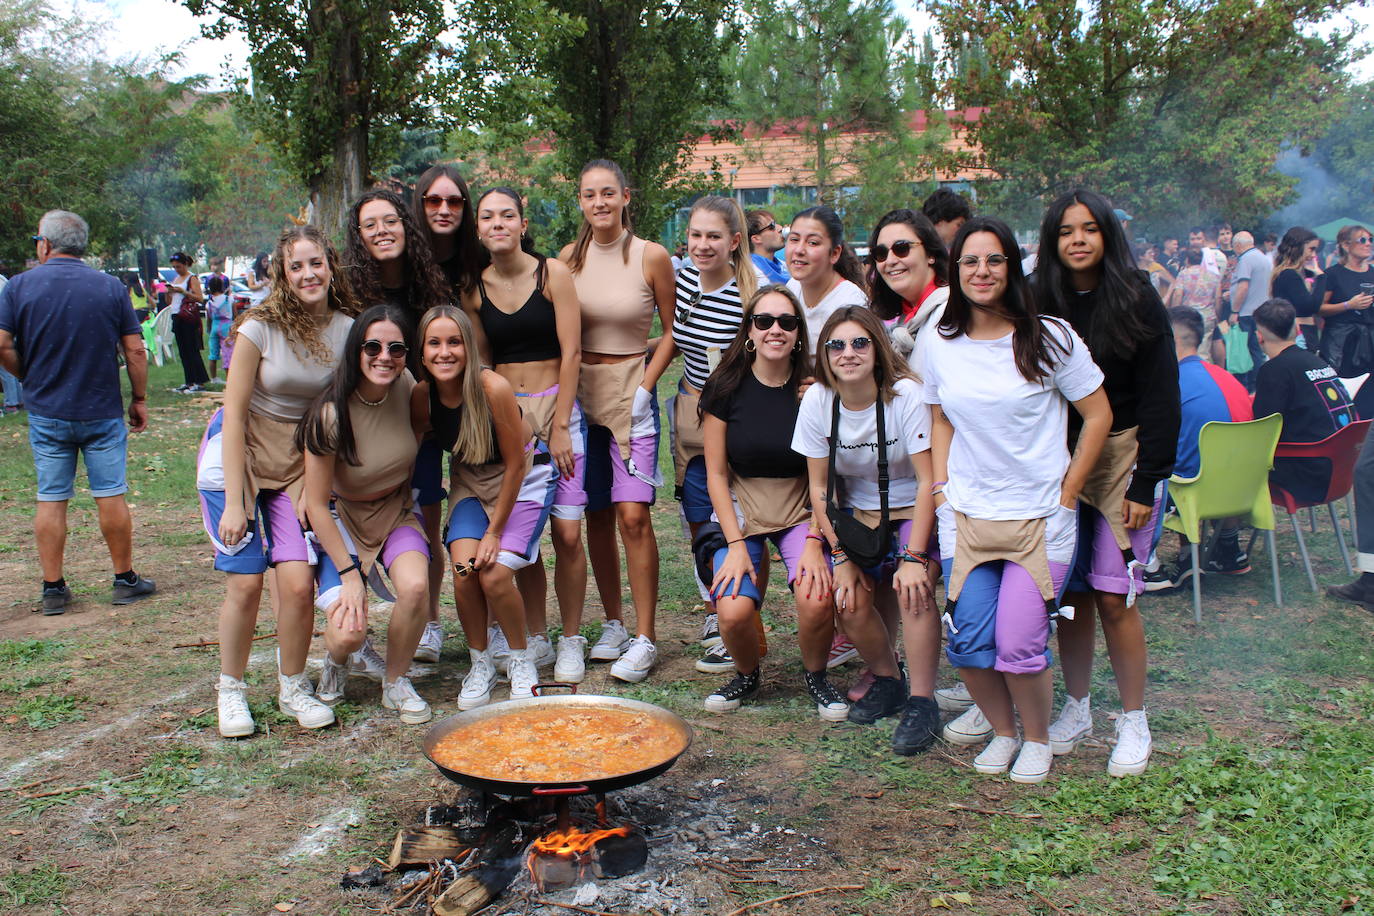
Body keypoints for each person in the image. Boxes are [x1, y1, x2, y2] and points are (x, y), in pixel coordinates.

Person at [923, 216, 1111, 784]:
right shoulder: (939, 340)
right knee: (968, 641)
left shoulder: (1050, 335)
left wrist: (1070, 491)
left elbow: (1098, 415)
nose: (982, 271)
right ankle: (1003, 731)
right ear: (955, 271)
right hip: (966, 514)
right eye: (971, 261)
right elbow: (938, 418)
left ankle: (1037, 739)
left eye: (995, 260)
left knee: (1020, 642)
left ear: (1014, 266)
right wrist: (940, 492)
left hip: (1040, 518)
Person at [1033, 189, 1179, 779]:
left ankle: (1134, 719)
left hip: (1124, 458)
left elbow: (1163, 395)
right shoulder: (1039, 299)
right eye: (1066, 230)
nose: (1077, 240)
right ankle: (1078, 707)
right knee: (1070, 597)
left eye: (1089, 229)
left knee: (1116, 596)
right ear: (1051, 240)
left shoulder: (1137, 297)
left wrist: (1146, 483)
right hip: (1057, 460)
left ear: (1107, 236)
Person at [202, 224, 358, 737]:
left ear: (331, 266)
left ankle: (293, 686)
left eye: (317, 262)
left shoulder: (347, 328)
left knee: (295, 585)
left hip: (298, 464)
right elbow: (233, 413)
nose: (309, 273)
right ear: (282, 275)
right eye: (297, 266)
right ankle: (231, 690)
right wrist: (233, 502)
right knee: (246, 583)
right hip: (240, 457)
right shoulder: (258, 328)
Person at [792, 306, 941, 740]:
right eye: (836, 345)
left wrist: (914, 557)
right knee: (848, 599)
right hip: (856, 512)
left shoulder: (907, 396)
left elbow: (929, 478)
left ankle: (923, 703)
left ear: (877, 348)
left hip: (913, 505)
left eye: (860, 343)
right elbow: (819, 489)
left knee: (912, 589)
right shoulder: (819, 400)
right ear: (824, 354)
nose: (848, 353)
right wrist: (837, 554)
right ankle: (889, 681)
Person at [698, 285, 845, 718]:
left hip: (802, 508)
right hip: (742, 507)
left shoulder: (815, 389)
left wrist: (818, 539)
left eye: (786, 321)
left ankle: (817, 676)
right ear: (750, 330)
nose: (775, 330)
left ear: (799, 332)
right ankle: (746, 674)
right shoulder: (725, 387)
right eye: (764, 321)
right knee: (733, 608)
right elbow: (716, 475)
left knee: (817, 595)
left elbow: (829, 472)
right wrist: (737, 545)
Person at [0, 210, 156, 614]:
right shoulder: (109, 287)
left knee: (51, 497)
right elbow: (135, 349)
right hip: (102, 410)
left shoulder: (18, 287)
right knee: (110, 493)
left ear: (45, 244)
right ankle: (125, 580)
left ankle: (53, 588)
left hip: (48, 411)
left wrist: (30, 378)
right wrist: (138, 398)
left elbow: (2, 345)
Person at [462, 187, 588, 683]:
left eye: (507, 215)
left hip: (560, 411)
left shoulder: (551, 273)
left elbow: (572, 351)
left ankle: (572, 637)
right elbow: (483, 360)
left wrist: (559, 425)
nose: (498, 224)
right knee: (527, 538)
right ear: (478, 228)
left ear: (522, 222)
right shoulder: (473, 289)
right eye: (488, 217)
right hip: (510, 419)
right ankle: (536, 635)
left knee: (568, 532)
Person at [560, 159, 677, 683]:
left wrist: (646, 387)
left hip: (632, 397)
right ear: (581, 202)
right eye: (590, 194)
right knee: (597, 517)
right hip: (582, 399)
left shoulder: (651, 255)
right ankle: (613, 624)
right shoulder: (566, 261)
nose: (600, 202)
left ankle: (647, 636)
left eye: (609, 193)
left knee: (634, 516)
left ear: (626, 196)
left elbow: (673, 333)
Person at [413, 306, 557, 708]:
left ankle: (520, 656)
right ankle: (479, 663)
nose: (445, 352)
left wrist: (493, 531)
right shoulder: (422, 397)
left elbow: (515, 464)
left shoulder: (492, 387)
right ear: (422, 353)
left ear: (470, 348)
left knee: (493, 575)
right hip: (470, 482)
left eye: (454, 342)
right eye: (435, 343)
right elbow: (413, 448)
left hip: (525, 476)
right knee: (464, 572)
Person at [297, 304, 432, 724]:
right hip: (342, 518)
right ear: (356, 349)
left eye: (396, 348)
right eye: (373, 346)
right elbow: (317, 504)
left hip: (395, 510)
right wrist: (351, 574)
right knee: (349, 631)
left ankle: (395, 681)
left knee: (414, 588)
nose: (384, 357)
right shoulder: (330, 413)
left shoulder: (407, 385)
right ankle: (336, 662)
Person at [345, 188, 454, 668]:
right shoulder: (347, 289)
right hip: (362, 424)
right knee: (356, 519)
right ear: (358, 236)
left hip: (419, 425)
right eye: (370, 224)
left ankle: (429, 621)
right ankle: (353, 623)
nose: (382, 231)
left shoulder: (427, 283)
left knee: (425, 524)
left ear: (406, 227)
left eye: (390, 221)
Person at [863, 208, 955, 714]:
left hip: (948, 473)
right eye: (880, 253)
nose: (890, 260)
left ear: (931, 253)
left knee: (929, 579)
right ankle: (896, 674)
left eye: (902, 248)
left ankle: (929, 693)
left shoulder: (946, 314)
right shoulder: (905, 323)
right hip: (917, 471)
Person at [664, 196, 760, 673]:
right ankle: (712, 611)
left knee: (736, 515)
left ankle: (739, 615)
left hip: (735, 415)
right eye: (696, 235)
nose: (703, 245)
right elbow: (677, 339)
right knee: (695, 512)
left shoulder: (754, 294)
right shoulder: (683, 280)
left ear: (734, 242)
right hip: (688, 410)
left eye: (714, 236)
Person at [412, 165, 485, 662]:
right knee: (421, 512)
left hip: (472, 401)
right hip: (416, 402)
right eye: (433, 201)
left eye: (454, 201)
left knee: (473, 506)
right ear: (419, 205)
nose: (443, 210)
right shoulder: (402, 259)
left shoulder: (477, 260)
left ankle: (504, 627)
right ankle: (428, 624)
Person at [1142, 307, 1254, 591]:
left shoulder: (1169, 383)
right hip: (1246, 491)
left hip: (1196, 495)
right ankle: (1229, 549)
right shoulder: (1228, 378)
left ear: (1168, 341)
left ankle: (1169, 561)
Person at [1253, 298, 1356, 503]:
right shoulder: (1317, 361)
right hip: (1341, 468)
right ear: (1298, 329)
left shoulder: (1274, 371)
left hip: (1305, 476)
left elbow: (1261, 431)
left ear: (1259, 337)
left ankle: (1226, 530)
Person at [785, 206, 867, 354]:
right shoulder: (792, 288)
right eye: (794, 239)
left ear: (834, 253)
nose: (799, 250)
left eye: (813, 242)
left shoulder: (852, 303)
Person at [1319, 224, 1374, 419]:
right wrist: (1348, 305)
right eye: (1362, 240)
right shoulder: (1333, 274)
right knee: (1339, 395)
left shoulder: (1372, 272)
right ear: (1345, 245)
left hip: (1369, 343)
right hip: (1340, 344)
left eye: (1370, 240)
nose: (1368, 244)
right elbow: (1319, 308)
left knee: (1368, 398)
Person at [1270, 227, 1325, 352]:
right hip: (1299, 332)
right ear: (1299, 247)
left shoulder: (1290, 273)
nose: (1313, 255)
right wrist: (1321, 277)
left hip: (1301, 331)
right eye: (1311, 249)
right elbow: (1311, 307)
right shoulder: (1289, 275)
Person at [1229, 231, 1272, 388]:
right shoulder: (1263, 258)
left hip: (1246, 313)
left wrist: (1235, 311)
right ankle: (1259, 382)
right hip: (1261, 310)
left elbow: (1243, 286)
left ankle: (1248, 385)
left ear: (1238, 245)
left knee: (1245, 352)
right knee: (1257, 350)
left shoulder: (1246, 259)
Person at [1166, 249, 1222, 362]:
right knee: (1205, 349)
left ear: (1187, 260)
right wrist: (1217, 316)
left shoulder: (1183, 274)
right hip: (1208, 316)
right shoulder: (1213, 276)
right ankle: (1204, 371)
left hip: (1187, 316)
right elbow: (1218, 298)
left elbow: (1177, 295)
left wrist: (1174, 314)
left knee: (1185, 347)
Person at [168, 252, 210, 393]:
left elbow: (200, 298)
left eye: (179, 266)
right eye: (174, 267)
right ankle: (189, 381)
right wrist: (170, 292)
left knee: (192, 350)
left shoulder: (192, 278)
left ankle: (199, 381)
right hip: (176, 316)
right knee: (183, 351)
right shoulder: (176, 279)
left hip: (188, 317)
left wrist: (184, 292)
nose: (177, 269)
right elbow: (170, 301)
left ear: (185, 264)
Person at [205, 273, 235, 383]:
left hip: (214, 327)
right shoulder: (229, 299)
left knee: (213, 354)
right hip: (227, 328)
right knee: (228, 354)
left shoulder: (209, 302)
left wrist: (209, 330)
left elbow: (209, 318)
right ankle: (229, 378)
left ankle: (213, 378)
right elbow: (235, 315)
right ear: (222, 286)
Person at [746, 209, 789, 284]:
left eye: (776, 224)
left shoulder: (784, 266)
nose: (780, 228)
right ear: (756, 238)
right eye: (772, 226)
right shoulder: (752, 275)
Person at [0, 272, 22, 414]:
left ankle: (11, 403)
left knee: (4, 366)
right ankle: (16, 400)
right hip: (9, 326)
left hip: (3, 326)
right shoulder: (3, 280)